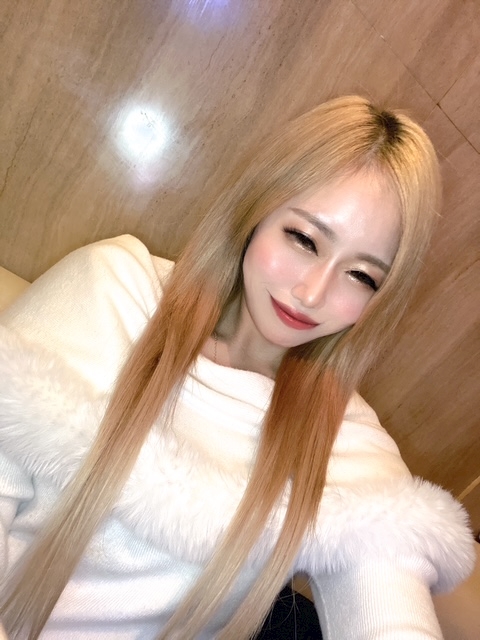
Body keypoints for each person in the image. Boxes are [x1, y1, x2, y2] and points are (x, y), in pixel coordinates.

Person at [0, 95, 474, 639]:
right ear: (257, 210)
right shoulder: (112, 291)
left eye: (361, 276)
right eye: (304, 239)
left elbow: (389, 607)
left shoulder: (346, 442)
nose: (312, 292)